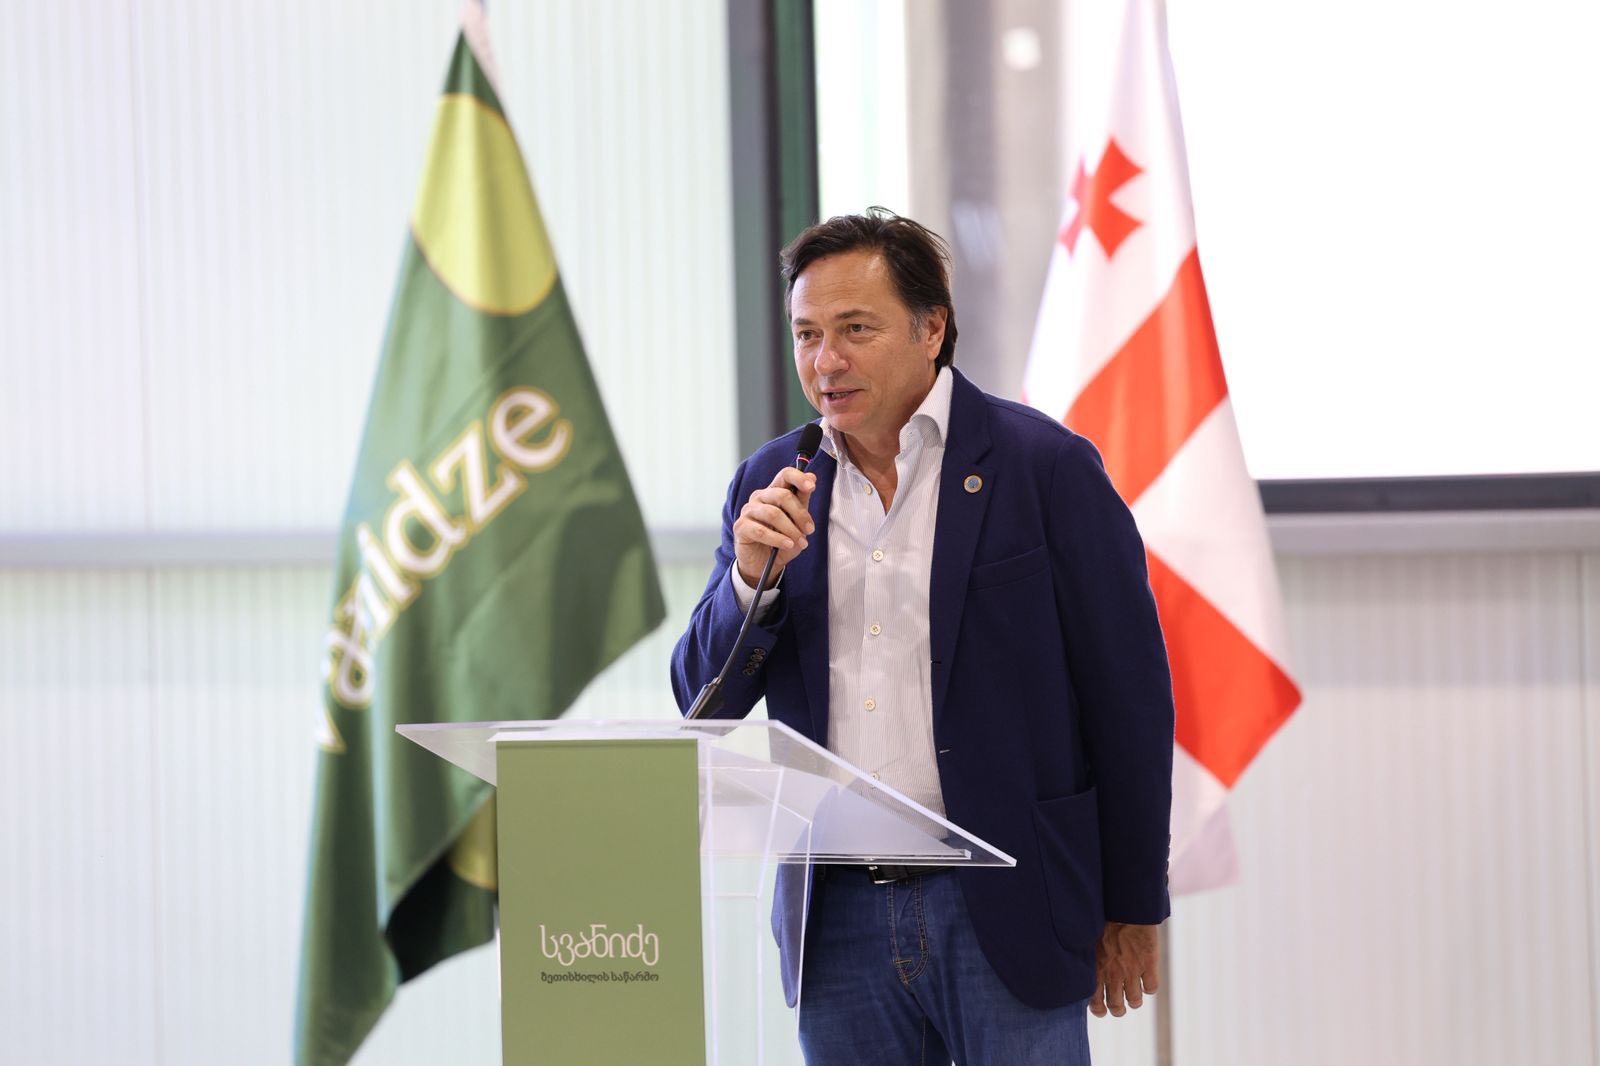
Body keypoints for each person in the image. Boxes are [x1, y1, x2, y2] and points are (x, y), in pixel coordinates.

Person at [671, 209, 1173, 1065]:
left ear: (931, 328)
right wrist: (750, 579)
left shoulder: (1043, 467)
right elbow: (701, 702)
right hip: (838, 916)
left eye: (855, 329)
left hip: (1005, 902)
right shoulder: (773, 481)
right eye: (807, 334)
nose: (826, 361)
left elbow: (1128, 699)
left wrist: (1132, 903)